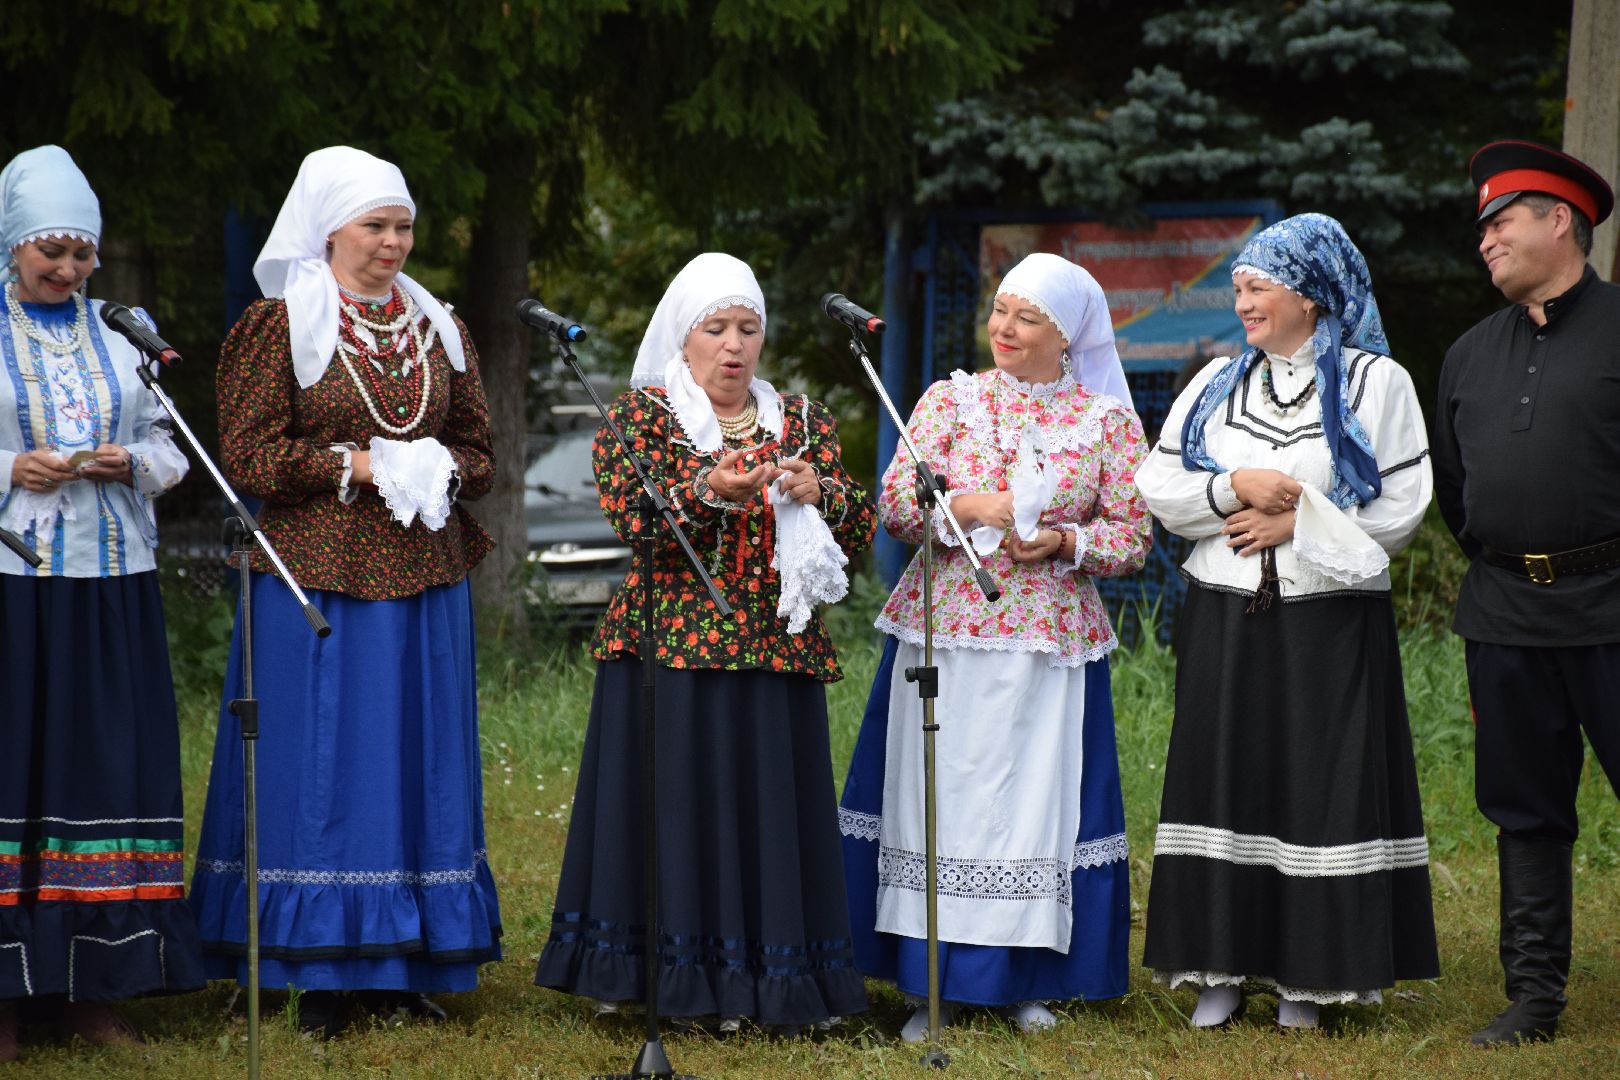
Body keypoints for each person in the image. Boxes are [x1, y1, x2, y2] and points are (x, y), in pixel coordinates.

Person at [188, 146, 500, 1037]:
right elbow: (246, 457)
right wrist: (356, 464)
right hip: (312, 577)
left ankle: (407, 961)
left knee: (415, 762)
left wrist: (436, 462)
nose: (394, 242)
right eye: (376, 226)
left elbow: (481, 454)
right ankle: (316, 967)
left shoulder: (440, 327)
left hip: (425, 575)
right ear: (329, 229)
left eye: (404, 226)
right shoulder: (276, 323)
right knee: (320, 765)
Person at [535, 252, 875, 1032]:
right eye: (715, 328)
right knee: (683, 814)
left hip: (775, 652)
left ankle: (779, 979)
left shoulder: (803, 418)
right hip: (674, 648)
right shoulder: (642, 416)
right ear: (682, 340)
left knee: (768, 815)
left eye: (747, 328)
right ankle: (679, 983)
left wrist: (825, 491)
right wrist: (706, 489)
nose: (733, 344)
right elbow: (635, 522)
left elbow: (855, 531)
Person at [1136, 213, 1439, 1030]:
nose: (1242, 300)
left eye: (1258, 284)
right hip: (1224, 614)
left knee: (1318, 784)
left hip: (1329, 620)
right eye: (1237, 286)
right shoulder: (1216, 384)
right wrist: (1238, 485)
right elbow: (1158, 487)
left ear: (1310, 292)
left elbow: (1403, 507)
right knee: (1224, 774)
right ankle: (1220, 969)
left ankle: (1311, 975)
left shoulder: (1379, 383)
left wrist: (1296, 522)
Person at [838, 252, 1151, 1041]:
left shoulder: (1105, 421)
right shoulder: (950, 400)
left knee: (1031, 806)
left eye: (1028, 317)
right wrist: (969, 504)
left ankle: (1028, 976)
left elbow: (1132, 538)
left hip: (1047, 641)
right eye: (1000, 310)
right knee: (938, 796)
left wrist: (1064, 540)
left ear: (1067, 335)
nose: (1005, 328)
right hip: (947, 628)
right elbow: (897, 509)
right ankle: (926, 981)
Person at [0, 145, 200, 1059]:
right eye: (52, 251)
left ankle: (96, 987)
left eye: (83, 253)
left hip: (113, 588)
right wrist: (10, 466)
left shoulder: (122, 335)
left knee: (103, 775)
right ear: (11, 245)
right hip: (14, 587)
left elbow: (171, 450)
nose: (70, 269)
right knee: (16, 775)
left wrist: (135, 464)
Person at [1432, 140, 1620, 1048]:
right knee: (1524, 811)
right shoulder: (1467, 356)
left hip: (1617, 608)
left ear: (1561, 222)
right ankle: (1534, 1000)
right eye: (1481, 230)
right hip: (1506, 614)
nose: (1486, 240)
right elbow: (1457, 495)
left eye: (1502, 222)